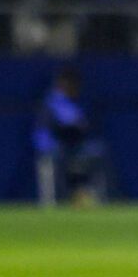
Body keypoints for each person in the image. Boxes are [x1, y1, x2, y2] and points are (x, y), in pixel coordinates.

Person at [33, 66, 108, 206]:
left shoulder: (77, 102)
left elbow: (81, 127)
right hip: (53, 148)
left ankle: (100, 199)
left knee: (97, 152)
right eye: (72, 84)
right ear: (63, 84)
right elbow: (66, 125)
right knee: (57, 156)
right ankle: (55, 202)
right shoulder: (53, 101)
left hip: (72, 148)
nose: (75, 88)